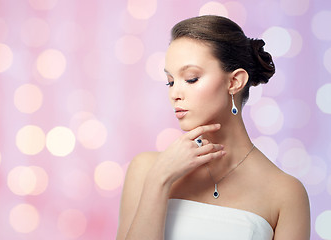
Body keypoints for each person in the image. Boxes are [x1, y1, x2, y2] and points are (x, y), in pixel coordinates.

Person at [116, 15, 310, 240]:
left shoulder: (286, 194)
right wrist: (159, 180)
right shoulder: (147, 169)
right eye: (170, 81)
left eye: (191, 79)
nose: (174, 94)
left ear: (234, 82)